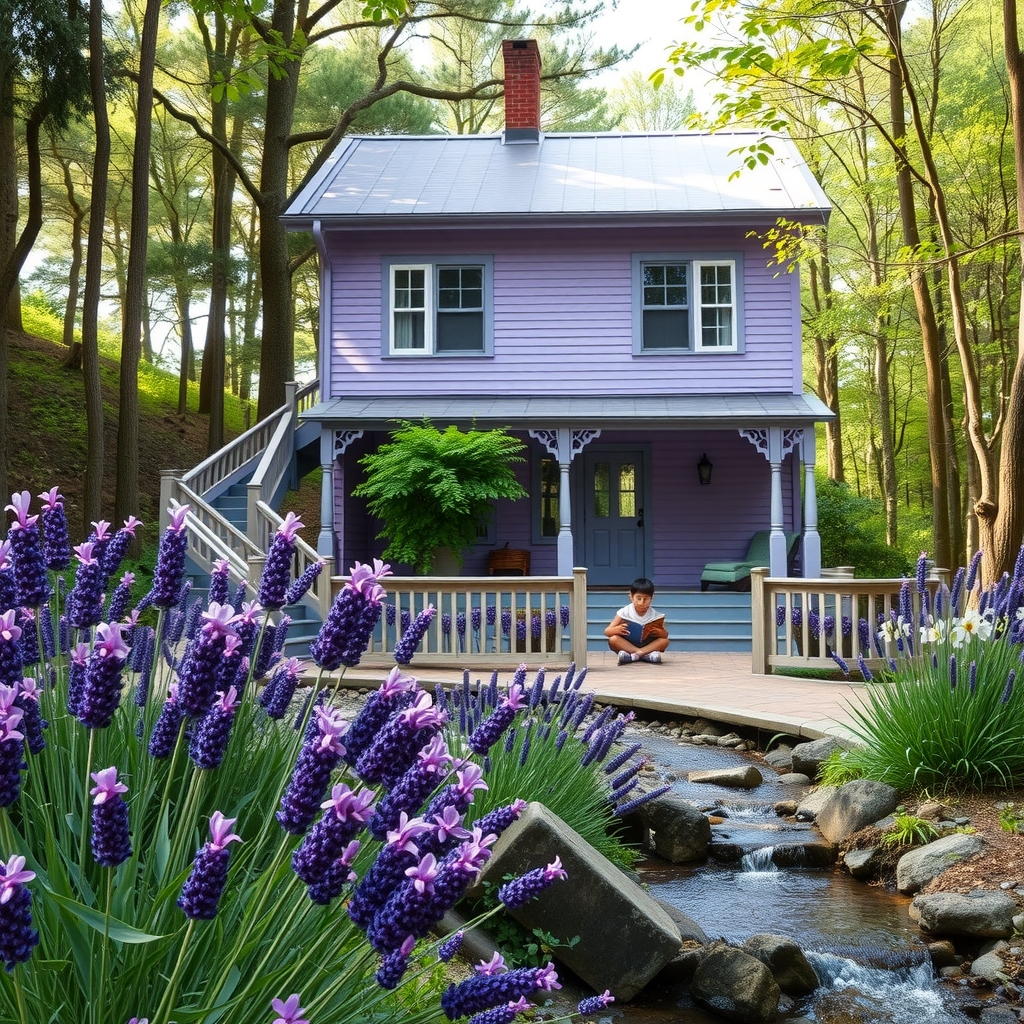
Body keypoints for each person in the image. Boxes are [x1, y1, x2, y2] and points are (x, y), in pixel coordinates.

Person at [604, 577, 670, 665]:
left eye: (646, 599)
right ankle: (644, 655)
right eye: (638, 598)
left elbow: (665, 635)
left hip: (647, 644)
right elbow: (607, 631)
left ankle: (632, 656)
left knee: (664, 641)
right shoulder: (624, 612)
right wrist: (616, 629)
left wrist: (659, 632)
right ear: (631, 597)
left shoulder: (655, 615)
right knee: (613, 639)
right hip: (628, 644)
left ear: (652, 598)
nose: (642, 602)